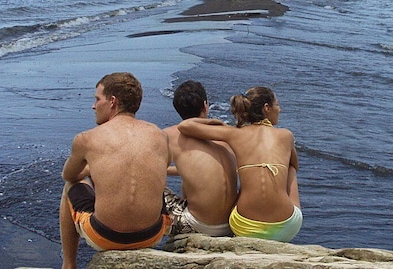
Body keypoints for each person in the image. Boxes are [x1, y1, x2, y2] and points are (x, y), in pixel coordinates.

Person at [59, 72, 171, 269]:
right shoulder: (159, 135)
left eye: (97, 99)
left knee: (71, 186)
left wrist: (92, 168)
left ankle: (69, 264)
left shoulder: (86, 139)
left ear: (112, 101)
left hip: (106, 237)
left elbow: (68, 175)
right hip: (153, 235)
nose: (93, 106)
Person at [177, 86, 302, 242]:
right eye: (277, 105)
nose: (280, 109)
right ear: (267, 108)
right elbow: (294, 166)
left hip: (244, 225)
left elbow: (185, 126)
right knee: (289, 168)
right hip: (285, 227)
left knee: (243, 173)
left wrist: (215, 122)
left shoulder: (234, 134)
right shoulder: (286, 135)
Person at [163, 80, 238, 236]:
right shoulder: (227, 134)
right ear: (205, 105)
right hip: (231, 224)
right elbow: (201, 169)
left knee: (144, 179)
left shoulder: (170, 135)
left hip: (197, 225)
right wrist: (170, 171)